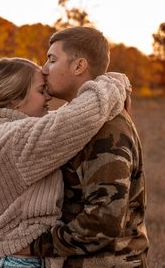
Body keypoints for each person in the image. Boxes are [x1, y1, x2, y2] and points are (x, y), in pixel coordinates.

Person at [0, 56, 129, 268]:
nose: (48, 97)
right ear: (15, 100)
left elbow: (59, 120)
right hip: (13, 262)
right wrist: (114, 83)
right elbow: (77, 120)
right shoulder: (13, 139)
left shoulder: (0, 133)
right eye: (40, 90)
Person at [30, 27, 149, 268]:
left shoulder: (107, 127)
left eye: (52, 60)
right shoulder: (78, 121)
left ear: (78, 66)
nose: (43, 68)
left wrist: (34, 246)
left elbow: (104, 219)